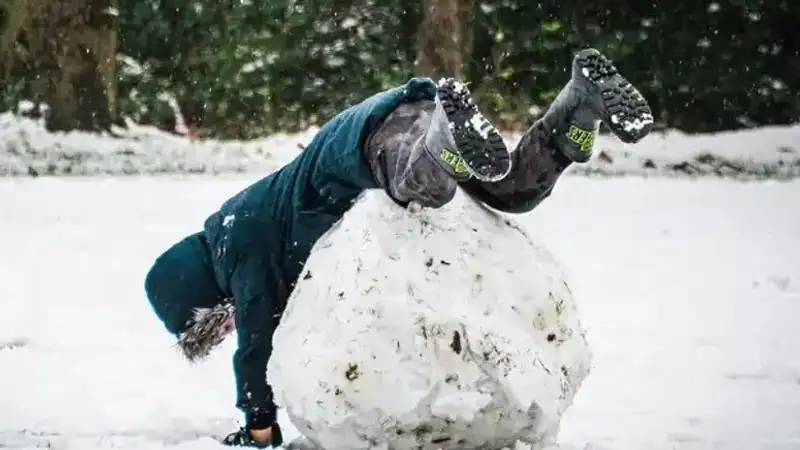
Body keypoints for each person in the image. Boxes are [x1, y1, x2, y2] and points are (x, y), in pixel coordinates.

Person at [144, 48, 653, 448]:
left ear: (201, 298)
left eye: (215, 322)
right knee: (513, 190)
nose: (229, 324)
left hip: (365, 139)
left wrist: (259, 427)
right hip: (402, 127)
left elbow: (256, 342)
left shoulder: (239, 240)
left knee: (422, 184)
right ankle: (578, 110)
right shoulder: (243, 230)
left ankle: (444, 136)